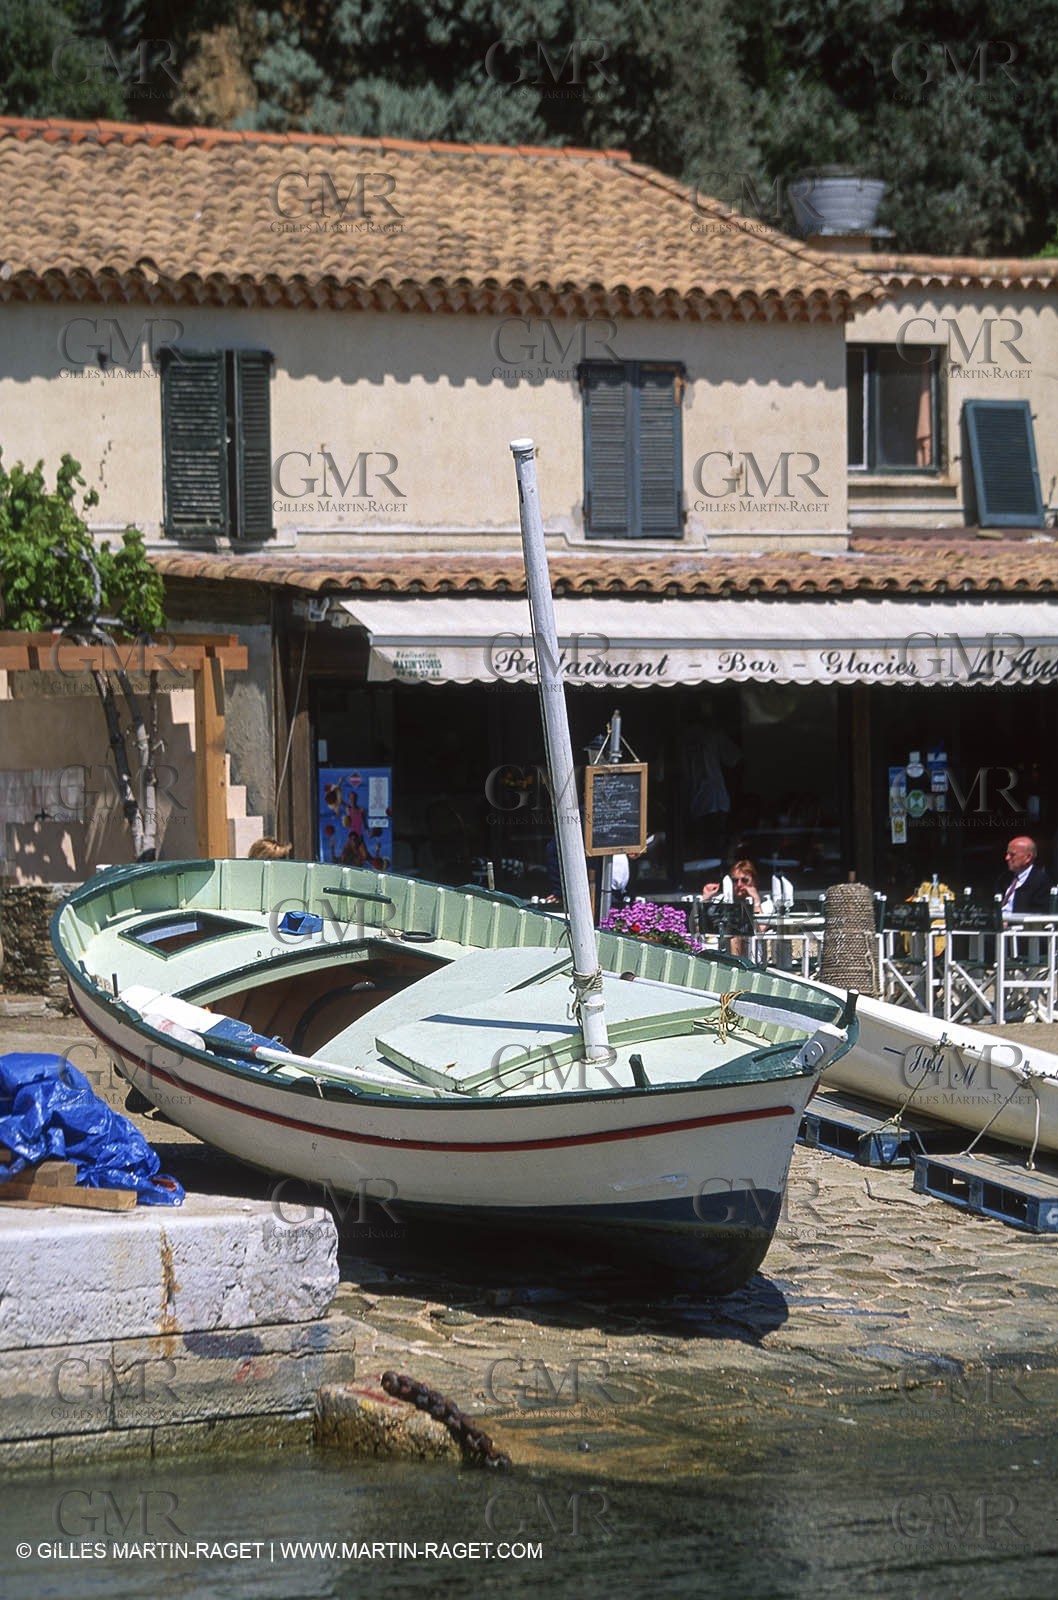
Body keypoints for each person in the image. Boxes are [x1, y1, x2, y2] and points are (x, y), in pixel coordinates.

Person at [996, 836, 1051, 914]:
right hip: (998, 923)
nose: (1007, 858)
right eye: (1007, 854)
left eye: (1012, 855)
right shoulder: (1004, 878)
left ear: (1028, 857)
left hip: (1019, 924)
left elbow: (1037, 913)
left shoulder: (1040, 881)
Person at [702, 859, 775, 918]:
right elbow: (699, 927)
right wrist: (706, 899)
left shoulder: (766, 904)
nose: (739, 884)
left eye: (744, 880)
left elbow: (761, 929)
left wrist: (756, 901)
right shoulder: (721, 900)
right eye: (735, 880)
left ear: (754, 881)